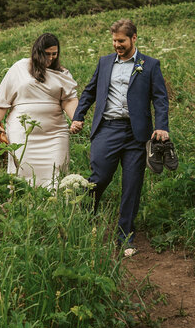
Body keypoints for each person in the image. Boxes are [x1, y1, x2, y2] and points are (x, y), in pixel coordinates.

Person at [70, 19, 169, 255]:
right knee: (99, 176)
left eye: (122, 41)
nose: (118, 45)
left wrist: (162, 126)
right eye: (114, 41)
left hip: (136, 134)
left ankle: (125, 237)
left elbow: (160, 98)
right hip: (107, 129)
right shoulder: (104, 63)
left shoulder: (150, 65)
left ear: (134, 38)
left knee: (132, 186)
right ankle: (85, 216)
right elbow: (90, 91)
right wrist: (78, 116)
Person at [0, 33, 79, 188]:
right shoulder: (20, 68)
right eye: (47, 54)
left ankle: (54, 207)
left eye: (54, 54)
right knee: (22, 169)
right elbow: (3, 98)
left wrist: (75, 119)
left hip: (54, 132)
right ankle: (22, 204)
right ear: (38, 52)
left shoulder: (62, 73)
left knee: (56, 171)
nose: (51, 58)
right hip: (23, 131)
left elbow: (69, 99)